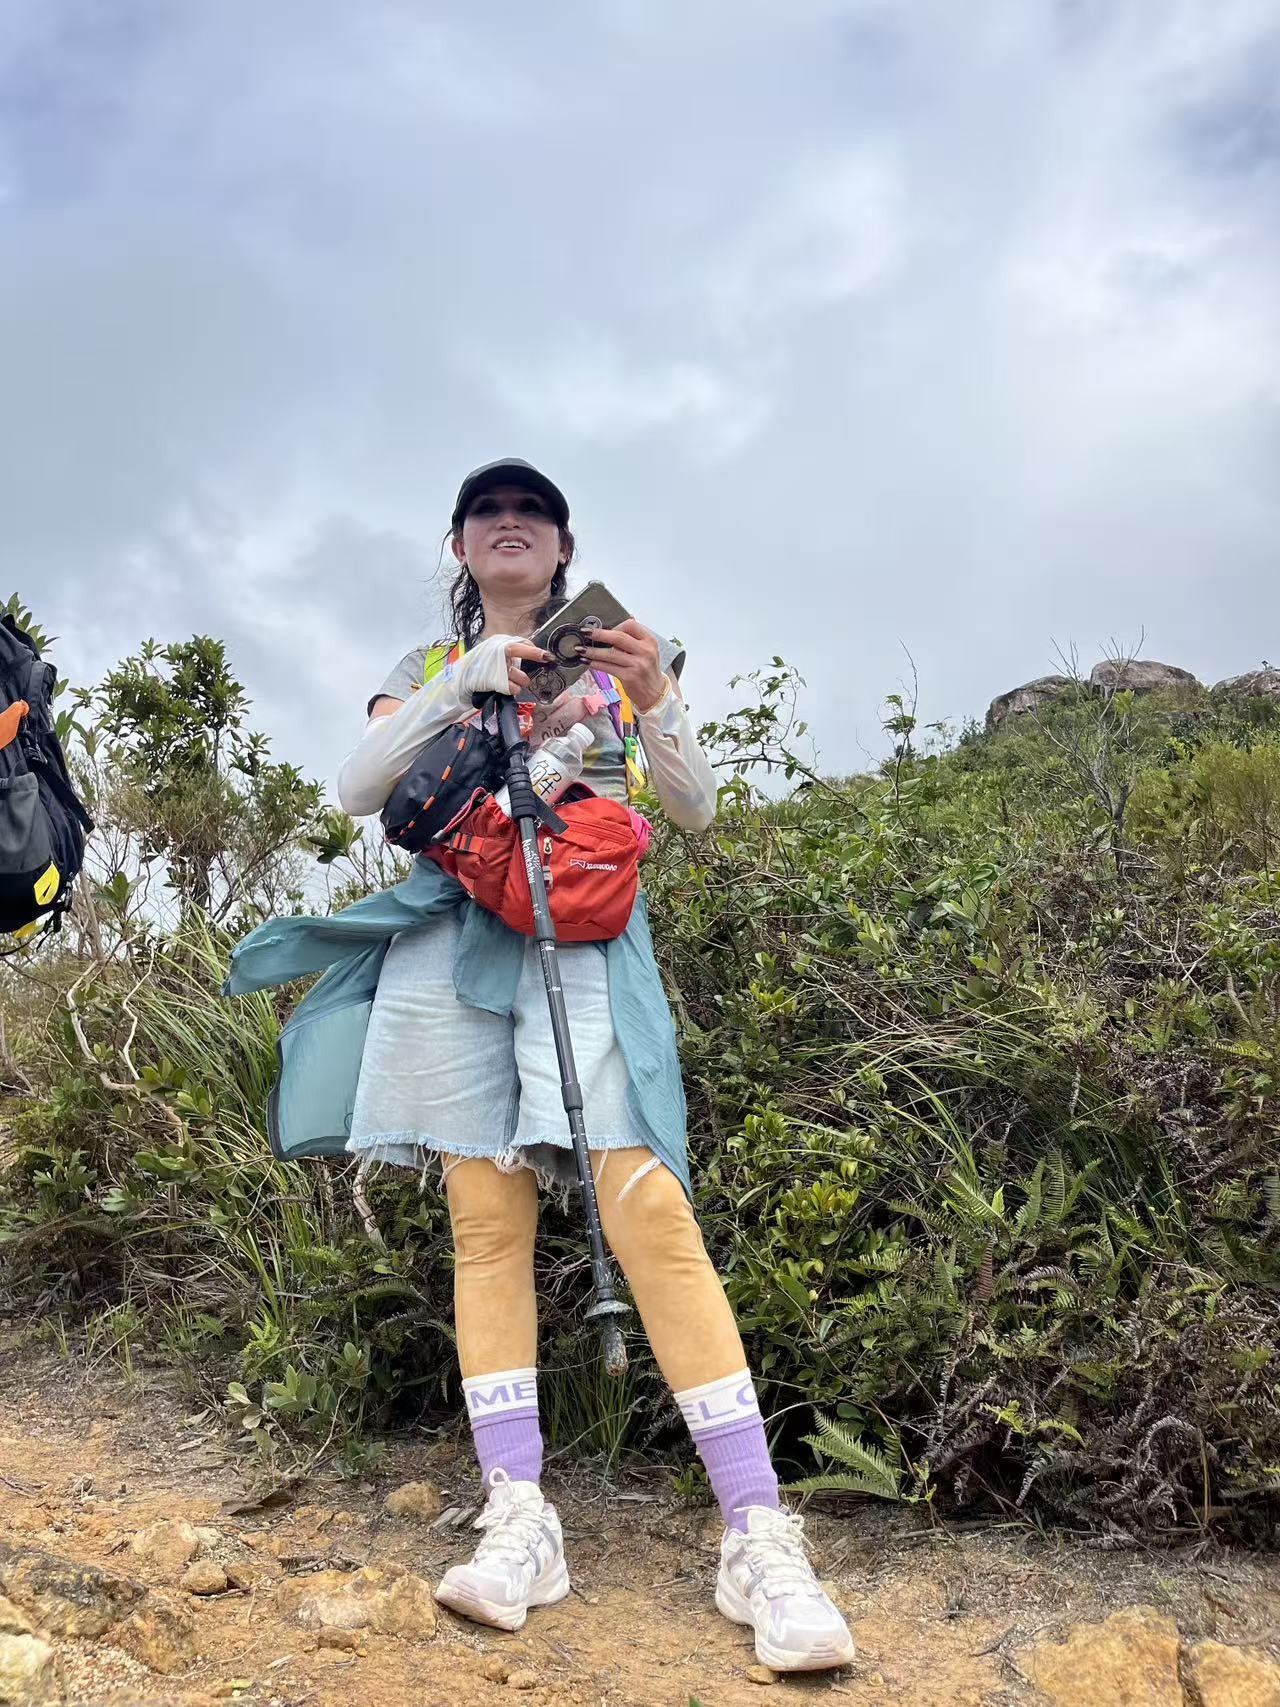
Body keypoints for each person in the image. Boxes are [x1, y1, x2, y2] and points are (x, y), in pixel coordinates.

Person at [332, 459, 855, 1673]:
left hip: (586, 938)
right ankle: (518, 1515)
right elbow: (358, 787)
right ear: (460, 546)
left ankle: (757, 1532)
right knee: (484, 1221)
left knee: (648, 1210)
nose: (509, 524)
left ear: (564, 547)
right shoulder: (426, 669)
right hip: (452, 950)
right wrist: (463, 682)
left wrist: (654, 696)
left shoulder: (621, 666)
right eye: (486, 512)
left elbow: (695, 810)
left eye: (532, 513)